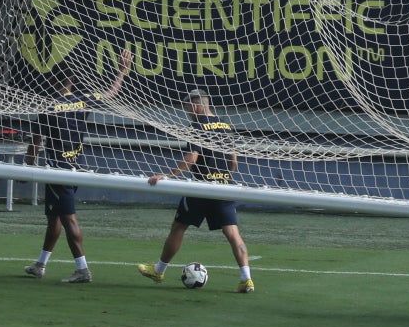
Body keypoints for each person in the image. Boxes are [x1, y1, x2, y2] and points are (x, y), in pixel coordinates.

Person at [26, 46, 133, 282]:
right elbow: (110, 93)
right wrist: (122, 72)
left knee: (68, 218)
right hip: (76, 166)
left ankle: (82, 269)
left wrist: (28, 165)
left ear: (52, 80)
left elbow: (35, 142)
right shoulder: (82, 101)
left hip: (57, 170)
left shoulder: (48, 107)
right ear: (72, 80)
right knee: (54, 217)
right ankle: (40, 264)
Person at [138, 88, 255, 293]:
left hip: (201, 187)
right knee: (233, 234)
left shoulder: (197, 126)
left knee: (178, 227)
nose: (187, 112)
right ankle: (246, 279)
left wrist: (168, 176)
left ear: (196, 105)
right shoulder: (226, 126)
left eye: (187, 108)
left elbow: (192, 158)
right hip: (223, 187)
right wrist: (223, 177)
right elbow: (234, 162)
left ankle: (158, 270)